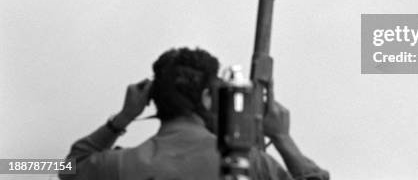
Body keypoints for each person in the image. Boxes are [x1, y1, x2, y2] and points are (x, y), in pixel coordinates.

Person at [59, 47, 329, 180]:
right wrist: (282, 138)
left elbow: (64, 167)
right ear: (207, 97)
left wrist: (122, 118)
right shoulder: (251, 164)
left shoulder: (116, 166)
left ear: (152, 98)